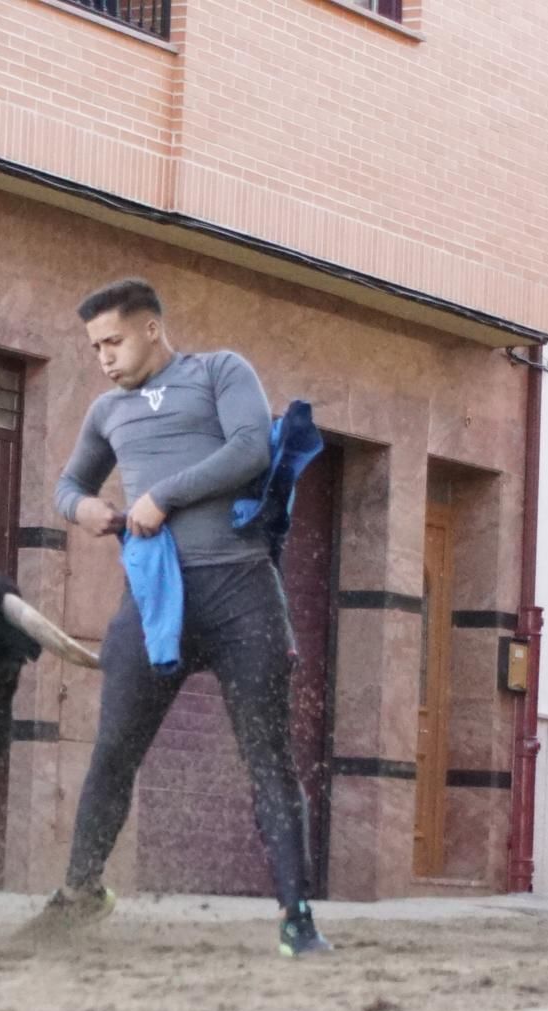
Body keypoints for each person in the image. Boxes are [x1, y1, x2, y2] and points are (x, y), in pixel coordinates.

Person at [23, 278, 332, 958]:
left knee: (270, 760)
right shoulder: (107, 412)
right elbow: (66, 486)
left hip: (241, 591)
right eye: (94, 346)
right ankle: (79, 893)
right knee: (112, 753)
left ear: (152, 328)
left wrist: (162, 493)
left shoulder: (220, 371)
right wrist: (87, 510)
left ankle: (296, 917)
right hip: (155, 600)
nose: (103, 356)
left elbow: (251, 447)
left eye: (114, 340)